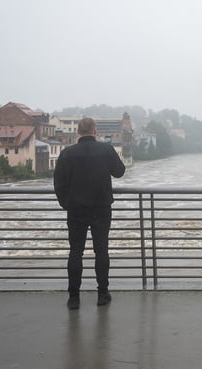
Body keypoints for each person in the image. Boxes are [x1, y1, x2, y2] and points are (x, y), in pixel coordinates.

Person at [54, 117, 126, 310]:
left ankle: (74, 298)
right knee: (101, 251)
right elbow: (119, 172)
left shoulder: (67, 153)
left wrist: (65, 203)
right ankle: (102, 294)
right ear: (95, 131)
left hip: (76, 209)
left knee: (75, 252)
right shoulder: (106, 150)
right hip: (101, 208)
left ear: (78, 131)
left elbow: (58, 182)